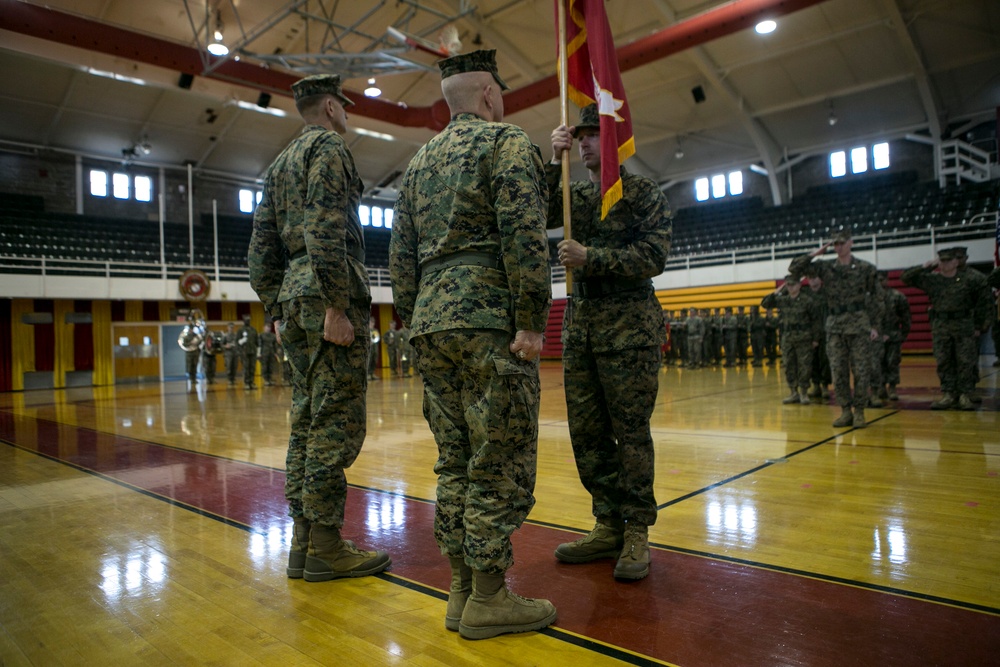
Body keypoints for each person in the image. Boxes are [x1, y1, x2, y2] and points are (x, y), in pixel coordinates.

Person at [388, 50, 555, 640]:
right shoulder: (505, 141)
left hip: (431, 321)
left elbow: (399, 257)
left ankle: (461, 589)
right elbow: (524, 235)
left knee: (454, 458)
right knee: (498, 458)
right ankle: (488, 596)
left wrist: (411, 322)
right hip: (488, 315)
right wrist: (532, 319)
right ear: (488, 93)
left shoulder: (418, 162)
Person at [248, 73, 391, 583]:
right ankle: (326, 546)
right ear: (330, 107)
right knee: (335, 422)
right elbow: (326, 227)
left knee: (307, 421)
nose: (346, 116)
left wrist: (278, 305)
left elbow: (260, 249)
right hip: (328, 295)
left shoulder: (279, 164)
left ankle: (304, 542)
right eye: (345, 107)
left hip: (294, 294)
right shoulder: (329, 148)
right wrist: (335, 304)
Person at [546, 102, 672, 582]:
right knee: (588, 432)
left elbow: (653, 255)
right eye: (577, 137)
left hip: (629, 326)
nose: (583, 143)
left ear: (616, 140)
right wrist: (548, 158)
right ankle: (607, 522)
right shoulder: (573, 193)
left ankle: (636, 528)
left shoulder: (641, 194)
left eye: (591, 135)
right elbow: (528, 203)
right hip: (581, 325)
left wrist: (590, 256)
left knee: (631, 432)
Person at [789, 229, 883, 428]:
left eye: (842, 243)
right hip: (835, 327)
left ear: (851, 243)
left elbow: (877, 298)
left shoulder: (866, 268)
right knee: (838, 371)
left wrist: (875, 326)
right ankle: (845, 411)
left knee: (861, 371)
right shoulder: (825, 267)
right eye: (835, 244)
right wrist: (815, 254)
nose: (838, 247)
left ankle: (859, 411)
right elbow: (794, 269)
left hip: (858, 326)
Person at [901, 248, 988, 410]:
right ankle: (949, 393)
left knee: (965, 361)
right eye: (942, 260)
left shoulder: (970, 279)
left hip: (963, 325)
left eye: (949, 260)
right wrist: (926, 266)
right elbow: (906, 278)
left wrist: (979, 326)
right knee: (944, 361)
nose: (945, 264)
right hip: (941, 326)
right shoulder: (933, 280)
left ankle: (965, 394)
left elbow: (983, 304)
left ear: (956, 262)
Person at [761, 276, 819, 404]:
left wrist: (815, 339)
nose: (790, 287)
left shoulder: (807, 300)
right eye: (788, 285)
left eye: (793, 284)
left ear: (799, 285)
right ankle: (793, 392)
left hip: (804, 337)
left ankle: (804, 392)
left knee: (805, 366)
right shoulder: (784, 300)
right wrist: (779, 288)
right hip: (788, 338)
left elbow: (815, 320)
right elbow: (765, 303)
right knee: (789, 365)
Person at [953, 247, 993, 402]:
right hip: (949, 327)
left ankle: (969, 390)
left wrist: (981, 325)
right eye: (954, 257)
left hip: (970, 326)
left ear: (966, 257)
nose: (957, 260)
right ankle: (954, 391)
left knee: (969, 360)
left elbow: (985, 303)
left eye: (960, 256)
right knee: (950, 361)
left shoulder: (976, 277)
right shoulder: (945, 277)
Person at [876, 271, 911, 401]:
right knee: (877, 364)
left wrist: (903, 335)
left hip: (893, 335)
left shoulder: (898, 297)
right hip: (876, 337)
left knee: (892, 362)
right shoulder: (871, 298)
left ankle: (892, 388)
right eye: (877, 281)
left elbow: (906, 318)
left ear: (887, 280)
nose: (879, 283)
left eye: (881, 280)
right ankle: (880, 387)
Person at [803, 270, 832, 399]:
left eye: (815, 278)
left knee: (825, 360)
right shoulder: (806, 295)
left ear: (820, 280)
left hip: (826, 332)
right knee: (812, 361)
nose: (813, 281)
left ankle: (825, 386)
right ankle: (816, 385)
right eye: (810, 278)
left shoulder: (827, 293)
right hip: (810, 333)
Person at [238, 315, 259, 389]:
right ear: (243, 321)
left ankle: (252, 382)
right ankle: (247, 383)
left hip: (253, 351)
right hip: (244, 352)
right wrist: (241, 342)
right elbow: (237, 342)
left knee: (252, 368)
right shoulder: (240, 330)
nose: (248, 321)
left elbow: (257, 341)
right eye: (246, 320)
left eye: (249, 320)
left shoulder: (253, 329)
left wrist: (258, 352)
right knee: (246, 368)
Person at [259, 321, 280, 386]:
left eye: (269, 327)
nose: (268, 328)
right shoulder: (261, 335)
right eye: (267, 327)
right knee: (265, 366)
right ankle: (266, 379)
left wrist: (276, 352)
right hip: (264, 353)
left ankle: (270, 379)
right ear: (264, 328)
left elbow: (275, 345)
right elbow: (259, 345)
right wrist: (259, 353)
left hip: (271, 353)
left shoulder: (273, 335)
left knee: (271, 366)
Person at [367, 316, 380, 381]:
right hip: (369, 348)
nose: (372, 323)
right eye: (371, 322)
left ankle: (372, 373)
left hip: (375, 348)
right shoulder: (366, 330)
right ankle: (368, 374)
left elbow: (377, 339)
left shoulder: (375, 330)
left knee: (374, 360)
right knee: (369, 361)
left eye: (373, 322)